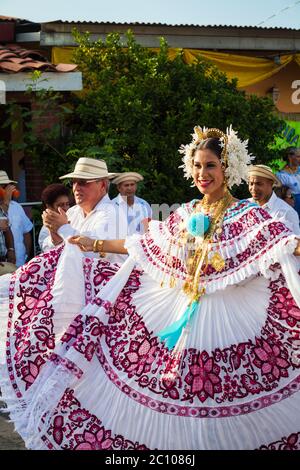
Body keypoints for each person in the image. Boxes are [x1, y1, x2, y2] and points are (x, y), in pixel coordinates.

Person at [0, 126, 300, 450]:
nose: (202, 173)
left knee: (225, 407)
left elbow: (286, 244)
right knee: (179, 404)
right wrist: (93, 243)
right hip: (181, 321)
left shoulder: (247, 214)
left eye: (210, 165)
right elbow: (142, 244)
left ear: (227, 167)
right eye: (197, 166)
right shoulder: (186, 213)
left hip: (230, 325)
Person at [41, 157, 120, 263]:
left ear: (102, 185)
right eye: (73, 182)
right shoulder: (72, 212)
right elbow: (47, 250)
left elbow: (95, 253)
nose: (76, 187)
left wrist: (62, 228)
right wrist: (55, 235)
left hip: (108, 279)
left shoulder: (115, 213)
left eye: (83, 182)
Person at [248, 164, 300, 235]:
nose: (253, 188)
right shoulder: (246, 206)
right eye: (251, 184)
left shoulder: (287, 213)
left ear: (271, 184)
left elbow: (296, 244)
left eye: (259, 184)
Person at [0, 170, 33, 267]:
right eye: (3, 187)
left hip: (20, 262)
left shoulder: (16, 206)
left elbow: (26, 231)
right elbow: (5, 224)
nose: (7, 190)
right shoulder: (5, 205)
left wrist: (26, 254)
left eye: (7, 186)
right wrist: (5, 200)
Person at [111, 172, 152, 236]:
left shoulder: (144, 205)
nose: (129, 188)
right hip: (120, 245)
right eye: (126, 185)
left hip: (142, 244)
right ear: (119, 188)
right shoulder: (111, 206)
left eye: (132, 184)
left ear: (136, 186)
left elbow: (150, 227)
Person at [38, 183, 71, 253]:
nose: (65, 208)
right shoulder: (45, 230)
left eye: (67, 204)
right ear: (49, 206)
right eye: (61, 205)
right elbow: (48, 249)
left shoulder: (74, 218)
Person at [276, 147, 300, 218]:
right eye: (298, 156)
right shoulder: (281, 176)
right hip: (294, 207)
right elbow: (278, 195)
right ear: (290, 157)